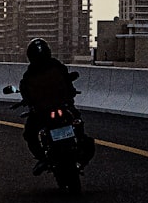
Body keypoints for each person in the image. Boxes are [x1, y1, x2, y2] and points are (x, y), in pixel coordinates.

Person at [18, 38, 93, 175]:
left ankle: (43, 158)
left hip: (46, 111)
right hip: (61, 107)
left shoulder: (30, 74)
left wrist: (28, 102)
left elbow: (25, 92)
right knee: (77, 120)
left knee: (30, 133)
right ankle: (79, 145)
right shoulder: (56, 66)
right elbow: (68, 83)